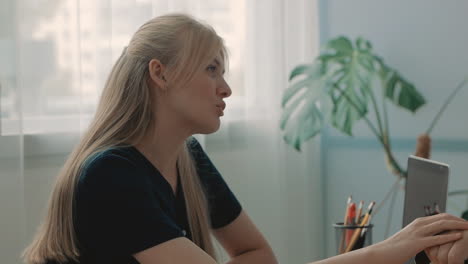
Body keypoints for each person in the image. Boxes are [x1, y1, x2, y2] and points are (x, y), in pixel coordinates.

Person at [22, 13, 468, 264]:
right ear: (160, 73)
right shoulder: (110, 175)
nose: (226, 88)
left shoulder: (187, 157)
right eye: (211, 69)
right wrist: (390, 250)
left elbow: (256, 252)